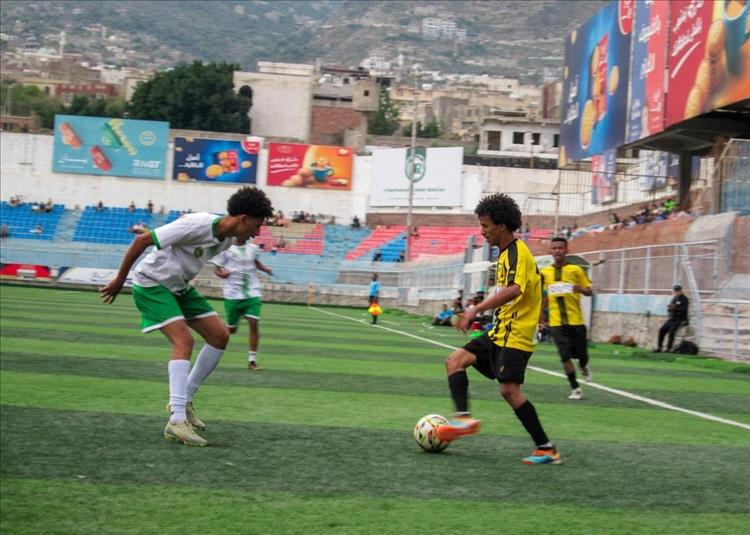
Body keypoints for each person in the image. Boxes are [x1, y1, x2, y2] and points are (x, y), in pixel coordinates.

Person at [99, 186, 274, 447]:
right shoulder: (196, 223)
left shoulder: (227, 240)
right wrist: (119, 280)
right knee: (184, 340)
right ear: (243, 219)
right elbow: (141, 241)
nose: (257, 233)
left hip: (179, 287)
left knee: (219, 336)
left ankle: (186, 399)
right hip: (152, 283)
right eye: (257, 226)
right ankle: (177, 420)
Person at [436, 193, 560, 465]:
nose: (482, 232)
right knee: (454, 361)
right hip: (499, 330)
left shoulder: (517, 252)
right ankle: (462, 419)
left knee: (509, 390)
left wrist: (475, 309)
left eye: (486, 226)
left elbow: (515, 289)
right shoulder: (505, 254)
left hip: (516, 334)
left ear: (501, 225)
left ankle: (546, 448)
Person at [539, 237, 593, 400]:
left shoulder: (576, 270)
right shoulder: (545, 273)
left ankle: (583, 365)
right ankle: (575, 388)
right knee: (564, 355)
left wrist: (581, 289)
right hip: (556, 322)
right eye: (554, 248)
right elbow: (544, 296)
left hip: (576, 320)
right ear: (551, 251)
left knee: (582, 355)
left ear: (566, 250)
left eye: (560, 248)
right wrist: (540, 316)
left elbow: (589, 291)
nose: (557, 251)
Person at [211, 236, 273, 371]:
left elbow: (256, 263)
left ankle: (252, 361)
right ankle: (213, 326)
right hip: (233, 294)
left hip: (252, 292)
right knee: (231, 330)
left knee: (253, 322)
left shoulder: (253, 248)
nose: (248, 234)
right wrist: (222, 274)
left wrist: (266, 269)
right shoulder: (225, 250)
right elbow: (217, 269)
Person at [654, 285, 689, 353]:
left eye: (678, 291)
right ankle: (659, 347)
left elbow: (684, 310)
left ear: (681, 291)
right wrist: (670, 308)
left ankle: (668, 348)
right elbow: (670, 309)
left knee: (671, 332)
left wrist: (675, 308)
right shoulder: (674, 298)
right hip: (671, 318)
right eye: (675, 291)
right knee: (662, 330)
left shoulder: (684, 299)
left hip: (679, 319)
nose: (676, 292)